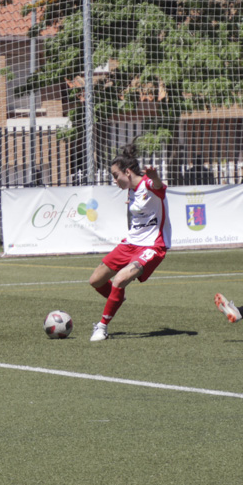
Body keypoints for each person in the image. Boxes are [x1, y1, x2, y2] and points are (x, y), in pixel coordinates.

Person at [87, 143, 170, 342]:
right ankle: (117, 297)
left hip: (152, 246)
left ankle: (102, 326)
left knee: (119, 280)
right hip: (130, 244)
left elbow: (158, 186)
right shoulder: (131, 190)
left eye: (116, 176)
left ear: (127, 172)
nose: (114, 181)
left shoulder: (148, 184)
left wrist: (155, 176)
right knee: (96, 280)